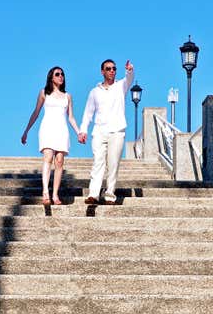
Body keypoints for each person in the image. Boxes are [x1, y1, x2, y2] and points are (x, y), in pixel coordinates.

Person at [21, 66, 81, 205]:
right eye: (57, 74)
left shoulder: (68, 96)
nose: (61, 76)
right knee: (48, 157)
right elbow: (36, 112)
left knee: (59, 161)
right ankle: (45, 192)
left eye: (62, 74)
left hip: (62, 129)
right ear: (51, 77)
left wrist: (79, 132)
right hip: (47, 128)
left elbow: (71, 117)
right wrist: (26, 131)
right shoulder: (44, 93)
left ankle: (55, 195)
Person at [77, 58, 134, 205]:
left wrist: (129, 70)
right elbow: (88, 113)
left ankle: (109, 195)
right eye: (108, 68)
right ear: (102, 71)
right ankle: (93, 194)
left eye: (114, 68)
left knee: (113, 164)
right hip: (99, 131)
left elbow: (130, 78)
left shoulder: (121, 86)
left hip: (117, 131)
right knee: (98, 162)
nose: (112, 71)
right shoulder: (94, 92)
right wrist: (83, 130)